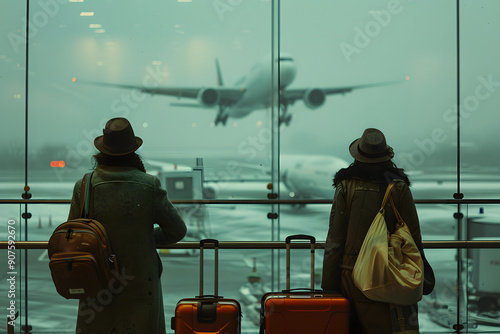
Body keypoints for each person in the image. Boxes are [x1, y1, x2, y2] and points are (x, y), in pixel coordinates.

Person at [67, 117, 187, 334]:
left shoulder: (84, 186)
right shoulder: (148, 185)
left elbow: (72, 235)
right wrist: (146, 237)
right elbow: (177, 230)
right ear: (133, 151)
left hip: (96, 283)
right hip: (140, 284)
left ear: (102, 151)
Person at [321, 128, 423, 333]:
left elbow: (335, 240)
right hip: (387, 275)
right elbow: (413, 237)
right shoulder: (399, 187)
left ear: (358, 155)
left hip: (350, 276)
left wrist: (329, 287)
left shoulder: (345, 186)